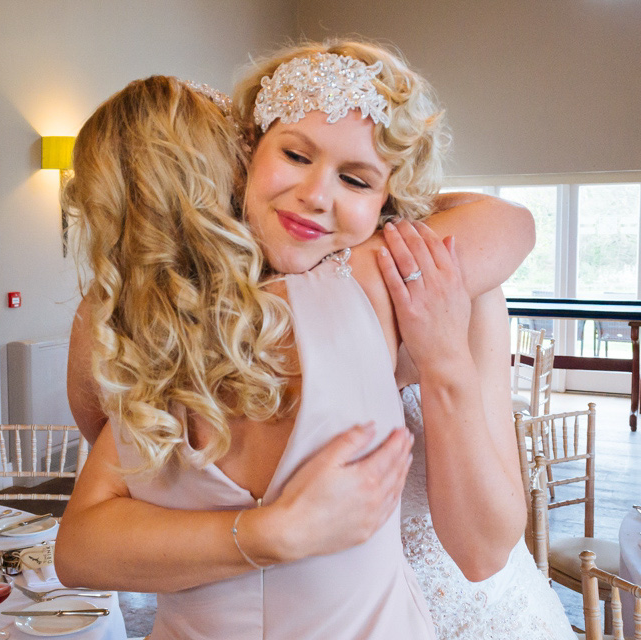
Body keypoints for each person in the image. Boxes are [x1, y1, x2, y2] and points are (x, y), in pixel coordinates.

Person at [56, 40, 564, 638]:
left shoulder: (439, 282)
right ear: (246, 156)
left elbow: (485, 550)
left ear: (389, 196)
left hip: (463, 615)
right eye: (295, 155)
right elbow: (128, 495)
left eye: (356, 178)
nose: (316, 197)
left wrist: (443, 358)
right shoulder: (168, 323)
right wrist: (269, 532)